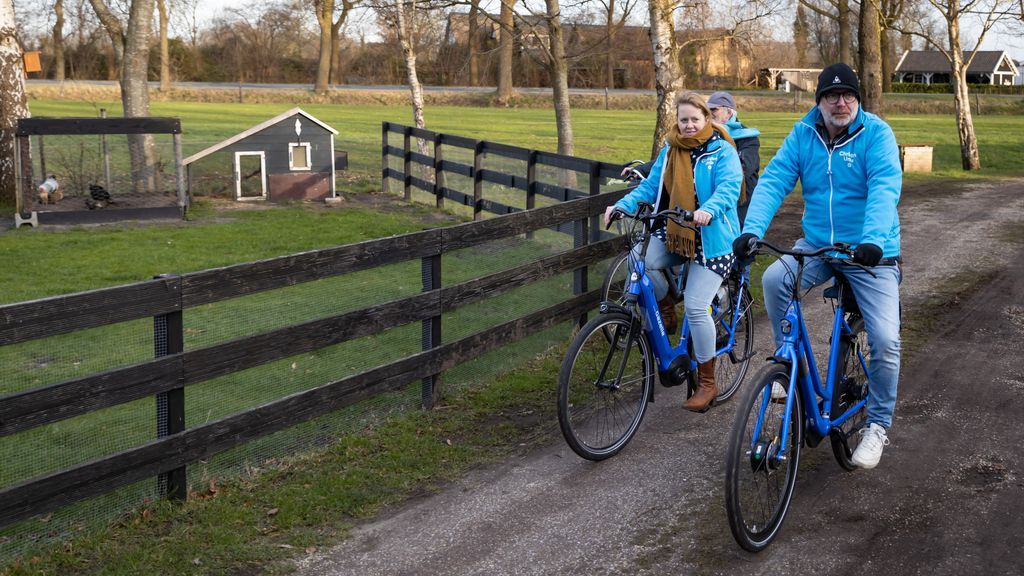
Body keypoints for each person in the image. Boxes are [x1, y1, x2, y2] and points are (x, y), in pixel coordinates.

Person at [732, 63, 903, 469]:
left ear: (857, 100)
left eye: (848, 96)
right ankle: (790, 361)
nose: (840, 103)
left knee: (885, 338)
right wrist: (751, 230)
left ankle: (877, 425)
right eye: (831, 96)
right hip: (818, 246)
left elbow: (884, 187)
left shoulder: (876, 134)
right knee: (776, 278)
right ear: (819, 101)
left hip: (869, 252)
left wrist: (873, 241)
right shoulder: (803, 133)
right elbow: (774, 180)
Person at [605, 91, 743, 412]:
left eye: (695, 119)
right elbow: (650, 188)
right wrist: (621, 206)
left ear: (707, 120)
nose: (690, 125)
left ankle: (707, 383)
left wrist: (708, 209)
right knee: (642, 262)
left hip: (713, 241)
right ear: (677, 122)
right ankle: (665, 309)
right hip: (677, 234)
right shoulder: (670, 151)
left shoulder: (723, 151)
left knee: (696, 307)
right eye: (684, 120)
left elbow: (729, 188)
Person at [623, 91, 760, 225]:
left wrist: (710, 207)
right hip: (685, 218)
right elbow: (665, 166)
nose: (690, 125)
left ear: (729, 113)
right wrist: (640, 170)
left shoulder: (739, 142)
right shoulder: (680, 144)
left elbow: (737, 175)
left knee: (739, 242)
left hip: (736, 206)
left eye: (714, 109)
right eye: (684, 120)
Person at [706, 91, 761, 224]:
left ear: (729, 113)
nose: (709, 114)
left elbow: (743, 169)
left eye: (714, 109)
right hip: (711, 201)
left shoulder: (748, 139)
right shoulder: (706, 137)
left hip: (741, 205)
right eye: (707, 110)